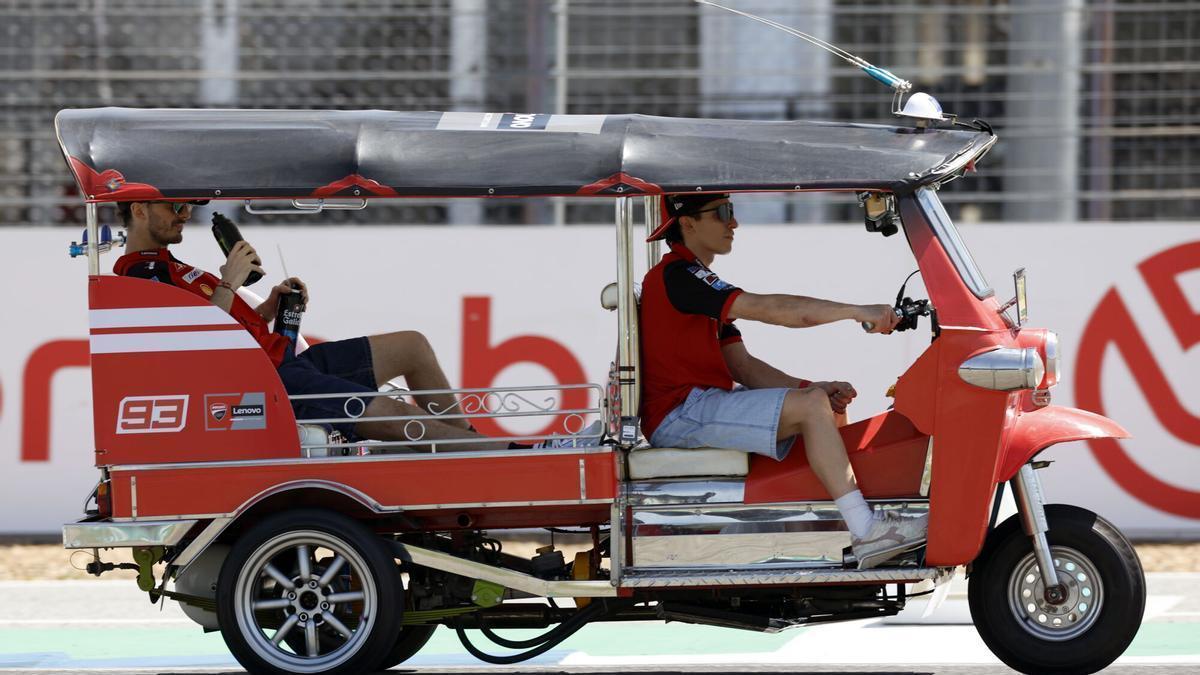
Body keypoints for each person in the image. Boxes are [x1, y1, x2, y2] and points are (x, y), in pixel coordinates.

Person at [112, 200, 595, 450]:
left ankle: (471, 451)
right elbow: (190, 351)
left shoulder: (169, 264)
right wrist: (229, 281)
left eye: (186, 208)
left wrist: (269, 307)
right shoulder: (140, 275)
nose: (185, 216)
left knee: (412, 346)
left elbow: (227, 327)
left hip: (284, 361)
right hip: (266, 385)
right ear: (138, 210)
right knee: (391, 412)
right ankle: (503, 453)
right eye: (174, 207)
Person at [639, 193, 926, 569]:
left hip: (694, 406)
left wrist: (809, 387)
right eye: (723, 213)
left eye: (733, 212)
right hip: (680, 414)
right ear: (687, 223)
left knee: (822, 407)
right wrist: (856, 312)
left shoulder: (695, 280)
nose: (734, 223)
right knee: (811, 407)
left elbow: (743, 367)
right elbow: (772, 310)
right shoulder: (679, 276)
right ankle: (865, 530)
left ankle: (842, 529)